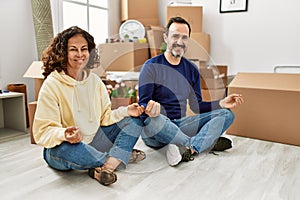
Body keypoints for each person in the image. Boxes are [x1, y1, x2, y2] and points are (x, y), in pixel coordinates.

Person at [33, 26, 146, 186]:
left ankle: (102, 167)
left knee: (134, 121)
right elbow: (43, 131)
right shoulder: (52, 84)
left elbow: (105, 117)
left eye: (84, 49)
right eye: (73, 49)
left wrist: (126, 111)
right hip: (64, 147)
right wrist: (64, 134)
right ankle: (116, 158)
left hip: (95, 141)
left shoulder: (95, 82)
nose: (80, 54)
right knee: (64, 150)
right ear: (63, 53)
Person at [138, 17, 244, 167]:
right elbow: (142, 106)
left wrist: (221, 103)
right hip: (155, 127)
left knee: (227, 114)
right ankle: (205, 143)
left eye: (184, 37)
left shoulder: (191, 69)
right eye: (175, 36)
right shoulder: (151, 66)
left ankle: (189, 148)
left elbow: (197, 106)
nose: (180, 41)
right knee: (154, 121)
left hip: (180, 124)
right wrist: (151, 109)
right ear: (165, 37)